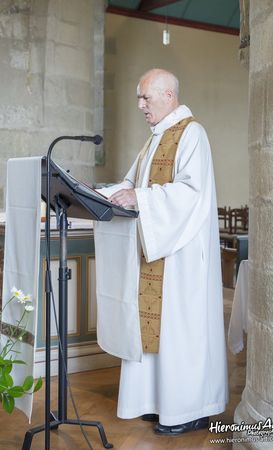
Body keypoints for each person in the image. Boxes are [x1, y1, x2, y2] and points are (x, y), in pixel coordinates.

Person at [96, 68, 228, 435]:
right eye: (139, 98)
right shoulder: (155, 139)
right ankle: (158, 401)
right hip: (156, 252)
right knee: (157, 332)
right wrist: (97, 194)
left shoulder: (191, 134)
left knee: (181, 333)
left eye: (145, 97)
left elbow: (190, 193)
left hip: (181, 258)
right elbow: (130, 183)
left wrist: (138, 197)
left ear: (168, 95)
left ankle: (190, 408)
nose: (140, 105)